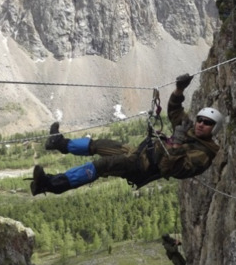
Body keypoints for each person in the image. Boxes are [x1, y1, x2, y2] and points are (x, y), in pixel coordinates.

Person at [30, 73, 224, 195]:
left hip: (141, 167)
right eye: (200, 119)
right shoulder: (190, 130)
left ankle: (49, 184)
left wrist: (177, 144)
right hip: (139, 152)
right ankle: (59, 143)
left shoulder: (203, 155)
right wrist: (179, 90)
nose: (200, 124)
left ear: (214, 129)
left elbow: (169, 168)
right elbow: (175, 111)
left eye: (207, 123)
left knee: (101, 166)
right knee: (98, 144)